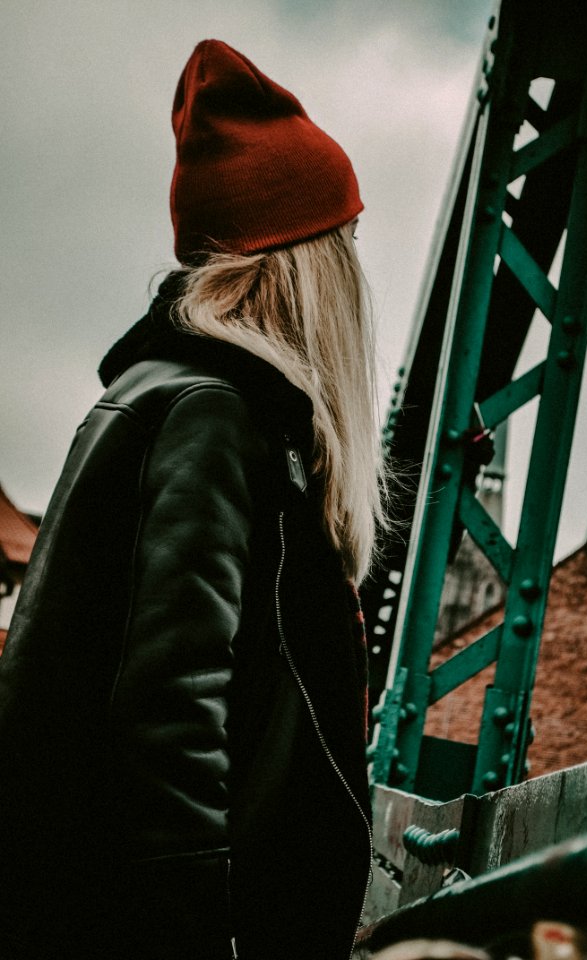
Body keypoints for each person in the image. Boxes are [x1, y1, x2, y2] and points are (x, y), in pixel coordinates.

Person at [0, 39, 385, 960]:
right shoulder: (213, 413)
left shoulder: (182, 399)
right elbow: (171, 724)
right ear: (304, 261)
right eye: (343, 242)